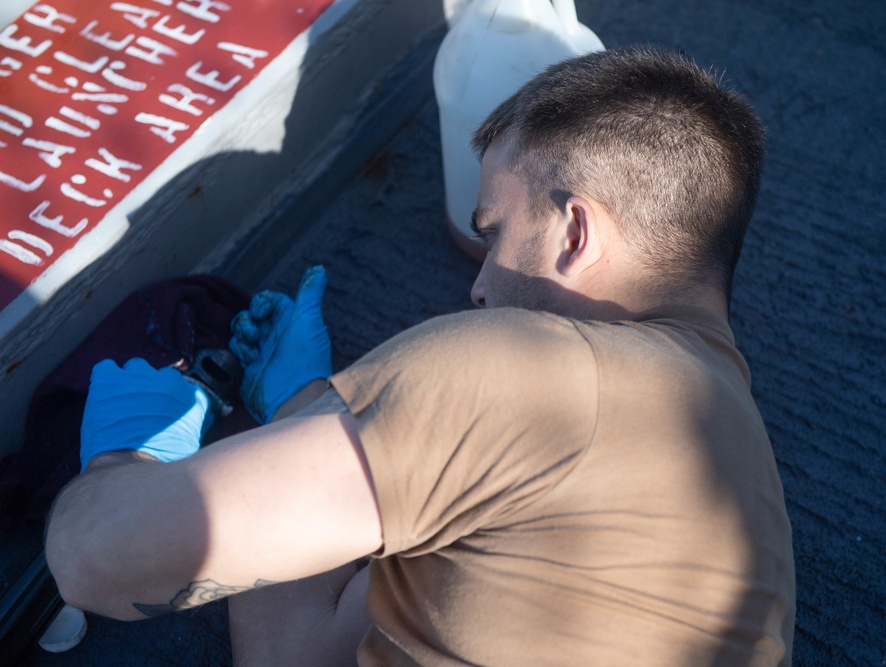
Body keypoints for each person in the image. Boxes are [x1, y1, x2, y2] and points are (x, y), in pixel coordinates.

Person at [45, 46, 795, 666]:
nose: (477, 286)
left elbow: (94, 557)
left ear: (575, 235)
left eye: (493, 231)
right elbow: (297, 654)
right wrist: (303, 406)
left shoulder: (537, 372)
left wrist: (124, 461)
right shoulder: (738, 478)